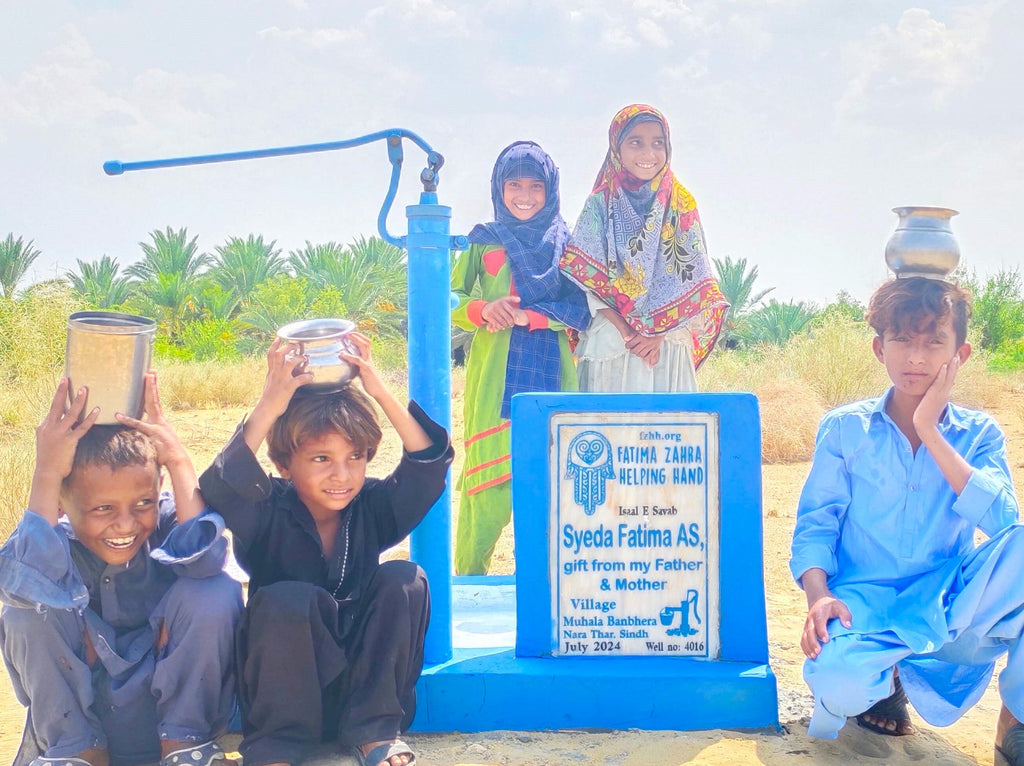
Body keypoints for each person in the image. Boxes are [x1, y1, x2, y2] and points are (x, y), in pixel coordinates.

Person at [790, 276, 1024, 763]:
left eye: (934, 342)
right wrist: (819, 596)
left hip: (951, 604)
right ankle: (884, 681)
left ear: (960, 354)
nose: (916, 357)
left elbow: (1005, 522)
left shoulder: (979, 433)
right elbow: (817, 525)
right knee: (838, 683)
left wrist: (929, 430)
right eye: (902, 340)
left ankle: (1017, 719)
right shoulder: (845, 428)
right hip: (864, 604)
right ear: (880, 348)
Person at [198, 332, 453, 766]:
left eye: (355, 457)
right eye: (321, 459)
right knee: (286, 599)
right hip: (285, 699)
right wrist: (271, 402)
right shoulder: (266, 508)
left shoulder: (372, 507)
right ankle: (277, 749)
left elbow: (427, 466)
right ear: (283, 464)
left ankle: (376, 735)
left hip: (364, 693)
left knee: (405, 579)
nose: (342, 475)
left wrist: (378, 389)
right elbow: (222, 486)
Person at [0, 373, 242, 766]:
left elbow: (208, 559)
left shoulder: (167, 523)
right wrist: (46, 473)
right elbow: (25, 587)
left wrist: (177, 459)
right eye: (103, 509)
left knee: (214, 589)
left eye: (143, 502)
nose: (126, 524)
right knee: (29, 608)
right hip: (91, 724)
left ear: (158, 488)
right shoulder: (52, 547)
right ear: (61, 503)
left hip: (175, 724)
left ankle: (183, 749)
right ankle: (79, 754)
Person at [451, 141, 590, 575]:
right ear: (499, 188)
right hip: (494, 382)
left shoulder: (568, 244)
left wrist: (532, 317)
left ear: (551, 190)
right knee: (486, 496)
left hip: (555, 377)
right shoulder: (483, 240)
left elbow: (583, 308)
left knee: (550, 499)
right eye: (514, 185)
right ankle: (469, 586)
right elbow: (447, 296)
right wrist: (482, 310)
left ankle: (545, 595)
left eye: (535, 186)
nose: (525, 195)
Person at [559, 103, 728, 391]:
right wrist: (627, 333)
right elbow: (586, 282)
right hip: (611, 345)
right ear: (617, 147)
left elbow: (695, 285)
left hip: (666, 349)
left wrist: (657, 335)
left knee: (668, 420)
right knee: (608, 419)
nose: (648, 154)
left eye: (657, 143)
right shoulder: (600, 204)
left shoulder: (681, 204)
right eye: (636, 142)